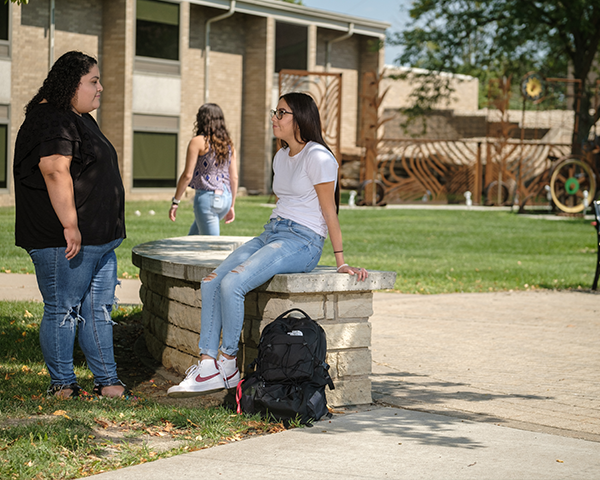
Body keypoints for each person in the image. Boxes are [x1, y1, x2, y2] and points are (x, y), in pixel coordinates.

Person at [167, 92, 368, 398]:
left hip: (303, 241)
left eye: (282, 113)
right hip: (273, 232)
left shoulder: (318, 157)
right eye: (275, 112)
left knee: (233, 284)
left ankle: (229, 363)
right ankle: (207, 365)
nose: (274, 118)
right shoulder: (281, 156)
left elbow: (329, 210)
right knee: (211, 282)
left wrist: (340, 259)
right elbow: (285, 202)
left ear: (300, 118)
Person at [13, 51, 128, 399]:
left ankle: (107, 382)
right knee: (63, 309)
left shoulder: (76, 118)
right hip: (63, 240)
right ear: (70, 83)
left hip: (99, 240)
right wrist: (70, 224)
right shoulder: (50, 118)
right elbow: (53, 168)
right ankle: (63, 384)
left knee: (98, 311)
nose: (101, 88)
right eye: (93, 81)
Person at [169, 104, 238, 235]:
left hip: (207, 200)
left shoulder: (198, 142)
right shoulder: (228, 143)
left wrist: (175, 202)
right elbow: (234, 177)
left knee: (211, 249)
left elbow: (187, 175)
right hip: (226, 198)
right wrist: (232, 205)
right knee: (192, 241)